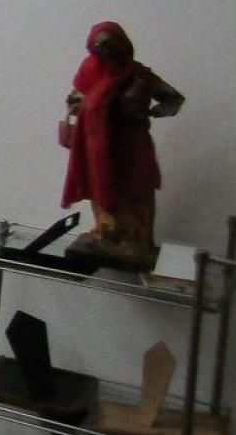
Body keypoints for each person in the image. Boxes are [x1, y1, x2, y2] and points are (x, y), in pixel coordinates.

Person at [61, 21, 183, 268]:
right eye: (100, 47)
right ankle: (106, 237)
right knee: (101, 187)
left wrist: (155, 111)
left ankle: (135, 243)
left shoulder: (138, 75)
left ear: (122, 45)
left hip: (132, 146)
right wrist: (83, 106)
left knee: (135, 190)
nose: (106, 52)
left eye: (111, 46)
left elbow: (173, 99)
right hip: (98, 148)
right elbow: (74, 98)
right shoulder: (89, 71)